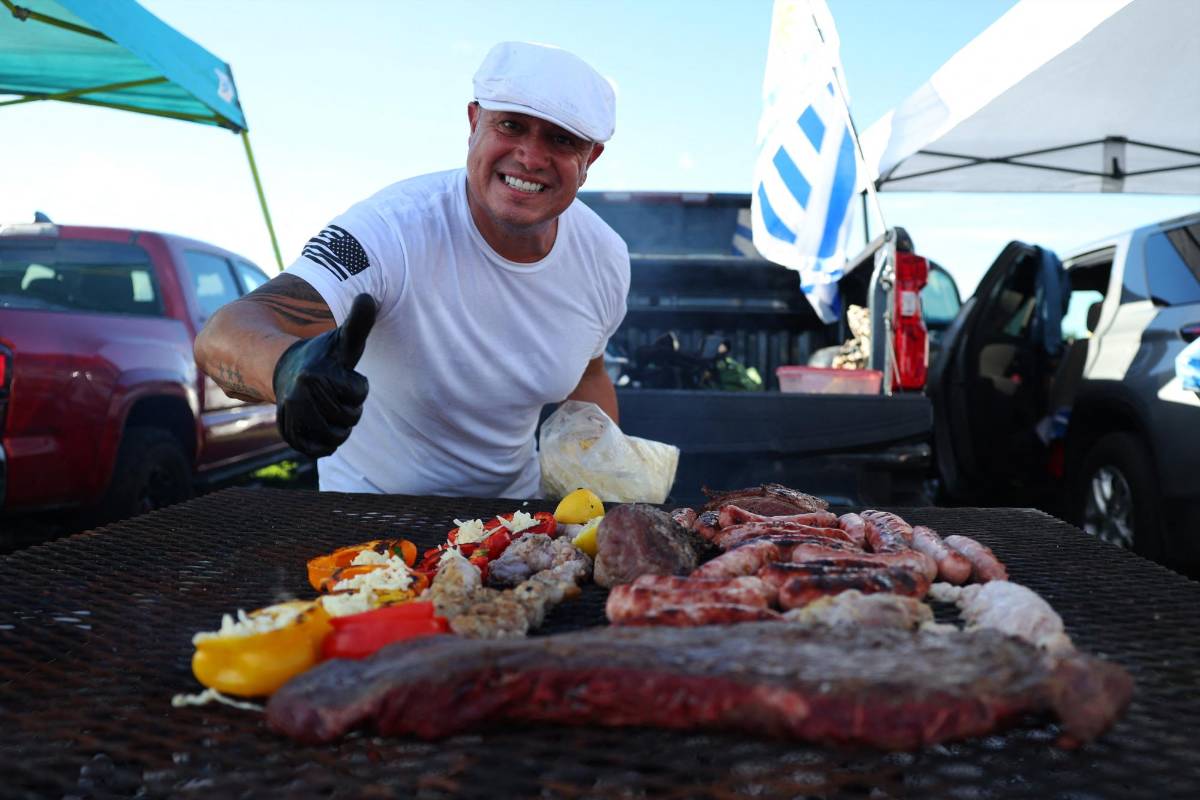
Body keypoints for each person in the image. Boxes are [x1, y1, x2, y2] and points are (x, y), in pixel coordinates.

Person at [194, 41, 630, 498]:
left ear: (590, 159)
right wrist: (284, 369)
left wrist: (602, 494)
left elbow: (588, 375)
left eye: (561, 139)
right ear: (473, 122)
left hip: (511, 525)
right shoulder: (391, 230)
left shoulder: (604, 259)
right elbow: (222, 334)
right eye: (511, 125)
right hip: (370, 524)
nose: (531, 157)